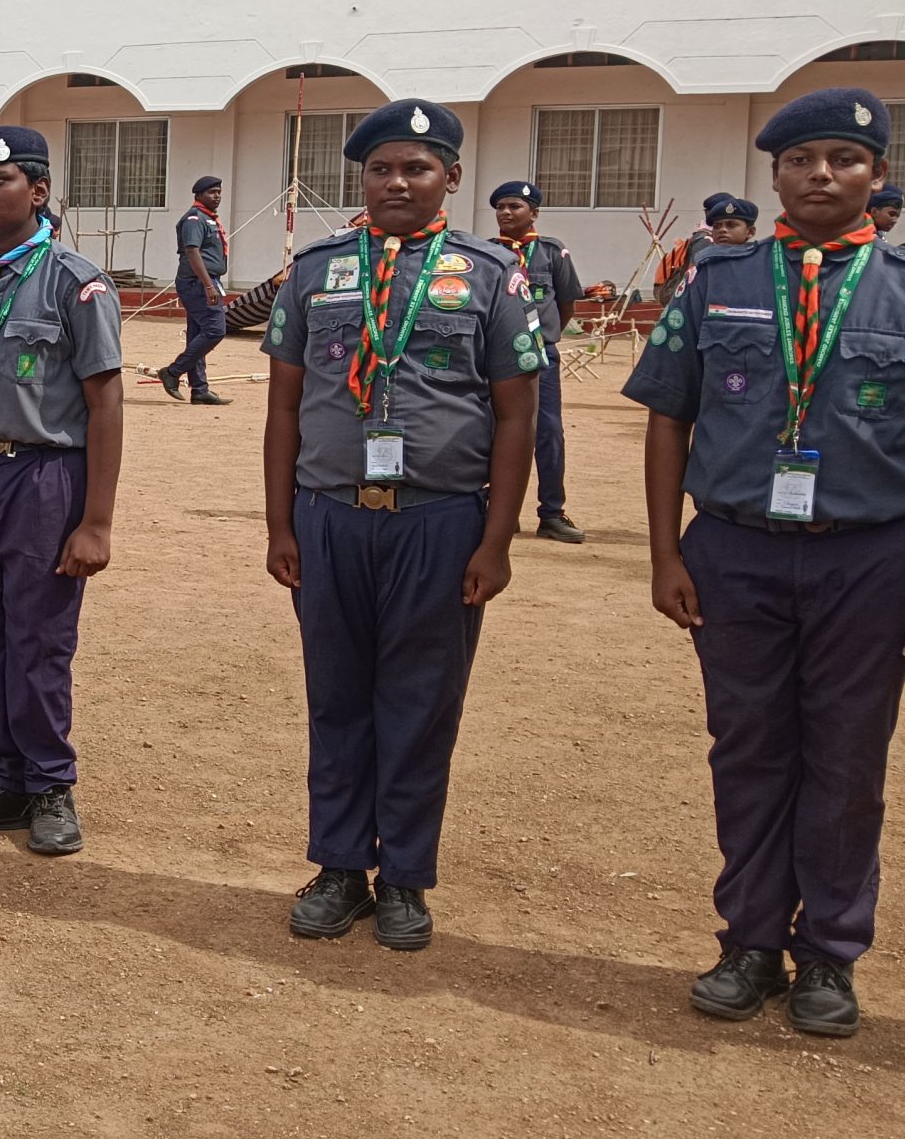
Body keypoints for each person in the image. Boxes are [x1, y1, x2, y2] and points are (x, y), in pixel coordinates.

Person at [625, 87, 905, 1040]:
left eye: (845, 158)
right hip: (736, 551)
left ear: (880, 174)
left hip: (872, 558)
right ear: (775, 175)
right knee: (749, 749)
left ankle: (829, 953)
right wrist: (665, 552)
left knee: (847, 758)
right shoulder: (717, 278)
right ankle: (750, 941)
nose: (821, 175)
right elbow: (669, 416)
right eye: (800, 160)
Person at [259, 98, 538, 951]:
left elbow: (517, 415)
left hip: (438, 521)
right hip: (332, 516)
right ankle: (340, 865)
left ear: (451, 176)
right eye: (380, 168)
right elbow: (283, 407)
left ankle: (406, 876)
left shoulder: (491, 275)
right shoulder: (316, 270)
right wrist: (280, 526)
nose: (396, 182)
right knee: (336, 696)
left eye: (416, 168)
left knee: (421, 703)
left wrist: (497, 539)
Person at [0, 126, 125, 858]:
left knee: (38, 638)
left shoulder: (75, 282)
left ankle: (49, 784)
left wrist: (96, 520)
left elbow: (105, 401)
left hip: (43, 476)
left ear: (37, 191)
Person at [488, 181, 586, 544]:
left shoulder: (552, 253)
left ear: (534, 213)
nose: (506, 212)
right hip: (495, 358)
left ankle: (552, 513)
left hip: (541, 358)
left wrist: (544, 337)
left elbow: (566, 305)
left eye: (514, 206)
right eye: (500, 207)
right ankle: (499, 511)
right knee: (491, 431)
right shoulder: (487, 254)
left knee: (548, 433)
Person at [157, 176, 233, 405]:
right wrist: (208, 285)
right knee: (215, 330)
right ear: (199, 195)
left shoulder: (208, 218)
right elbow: (192, 252)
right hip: (198, 283)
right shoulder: (194, 219)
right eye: (211, 192)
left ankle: (199, 389)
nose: (217, 196)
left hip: (205, 281)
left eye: (219, 192)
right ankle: (172, 372)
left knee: (197, 334)